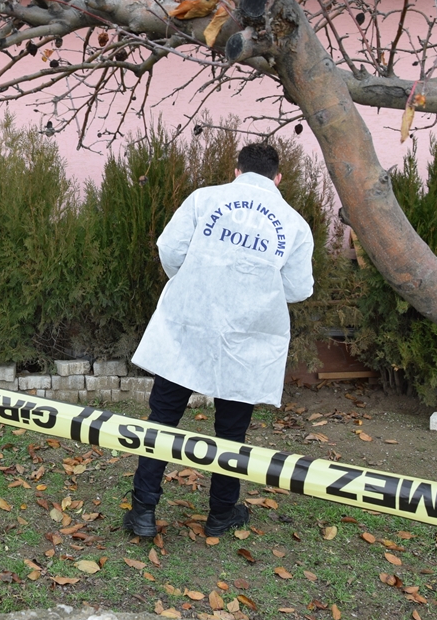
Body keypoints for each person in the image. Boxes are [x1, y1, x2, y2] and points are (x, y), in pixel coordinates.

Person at [124, 142, 315, 538]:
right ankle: (221, 514)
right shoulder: (293, 223)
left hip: (189, 325)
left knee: (163, 420)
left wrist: (195, 280)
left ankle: (143, 512)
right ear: (278, 178)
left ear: (236, 170)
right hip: (247, 337)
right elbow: (298, 288)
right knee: (232, 432)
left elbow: (170, 250)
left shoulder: (204, 199)